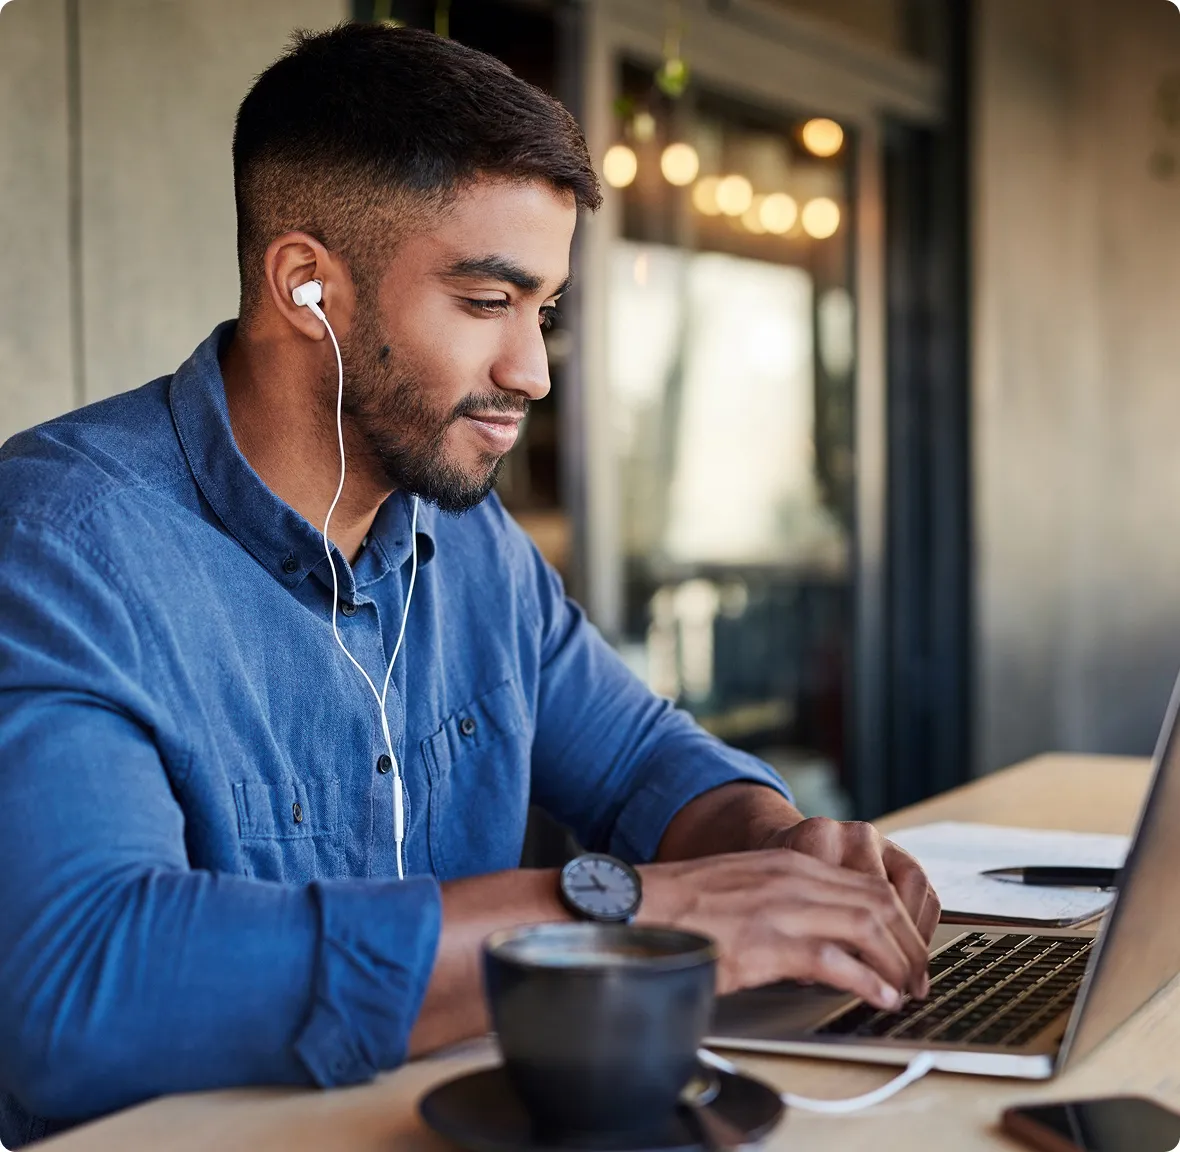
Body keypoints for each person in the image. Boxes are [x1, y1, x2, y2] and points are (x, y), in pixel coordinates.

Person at [0, 22, 939, 1148]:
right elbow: (83, 987)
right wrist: (625, 910)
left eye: (542, 312)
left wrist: (780, 846)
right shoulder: (61, 542)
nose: (533, 372)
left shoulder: (468, 540)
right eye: (487, 303)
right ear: (307, 287)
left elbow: (642, 761)